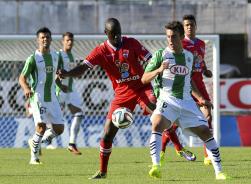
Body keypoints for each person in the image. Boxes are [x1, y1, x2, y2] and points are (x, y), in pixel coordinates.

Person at [57, 18, 156, 179]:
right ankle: (103, 172)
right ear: (106, 33)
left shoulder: (131, 43)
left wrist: (155, 73)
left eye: (119, 33)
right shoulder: (101, 51)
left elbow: (150, 60)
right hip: (122, 95)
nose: (117, 37)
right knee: (107, 135)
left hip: (141, 88)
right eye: (113, 34)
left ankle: (174, 150)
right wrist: (67, 73)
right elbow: (83, 67)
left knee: (157, 114)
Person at [142, 21, 228, 180]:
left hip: (187, 102)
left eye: (173, 37)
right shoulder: (160, 55)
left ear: (181, 37)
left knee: (205, 132)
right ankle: (156, 166)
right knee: (157, 124)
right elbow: (144, 79)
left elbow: (190, 81)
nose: (170, 40)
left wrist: (202, 98)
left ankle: (219, 172)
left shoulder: (189, 57)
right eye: (168, 37)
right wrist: (159, 70)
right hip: (167, 98)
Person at [160, 14, 213, 166]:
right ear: (183, 29)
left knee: (207, 115)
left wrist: (205, 70)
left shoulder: (202, 44)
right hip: (184, 84)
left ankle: (207, 155)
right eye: (186, 25)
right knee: (176, 120)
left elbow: (199, 62)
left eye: (191, 24)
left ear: (195, 26)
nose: (189, 27)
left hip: (199, 83)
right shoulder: (179, 44)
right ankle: (162, 150)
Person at [19, 27, 66, 164]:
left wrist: (60, 83)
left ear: (51, 39)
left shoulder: (56, 56)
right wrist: (26, 87)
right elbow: (22, 78)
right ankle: (34, 158)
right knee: (41, 126)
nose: (45, 39)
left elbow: (56, 75)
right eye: (42, 37)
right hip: (38, 96)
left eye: (47, 37)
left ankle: (34, 141)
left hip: (52, 96)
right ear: (38, 40)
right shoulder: (33, 58)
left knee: (59, 129)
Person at [56, 32, 83, 155]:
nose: (70, 42)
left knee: (78, 114)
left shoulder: (71, 56)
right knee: (54, 119)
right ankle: (37, 142)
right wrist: (60, 85)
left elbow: (71, 73)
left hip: (70, 90)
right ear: (63, 41)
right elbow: (54, 73)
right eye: (67, 40)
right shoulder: (59, 55)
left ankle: (72, 143)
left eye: (71, 40)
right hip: (60, 90)